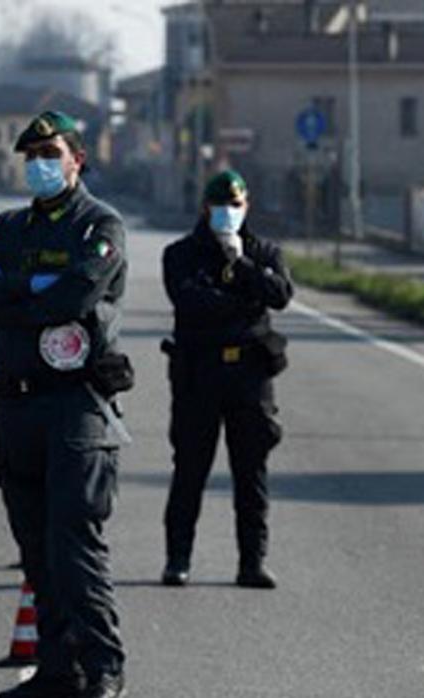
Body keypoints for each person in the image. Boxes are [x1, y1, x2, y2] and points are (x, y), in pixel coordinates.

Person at [0, 110, 130, 698]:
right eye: (31, 157)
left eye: (50, 154)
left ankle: (105, 666)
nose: (39, 165)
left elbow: (78, 293)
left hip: (74, 407)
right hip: (16, 407)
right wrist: (30, 295)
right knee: (36, 550)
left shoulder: (99, 225)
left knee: (74, 543)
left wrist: (13, 297)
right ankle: (58, 670)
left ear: (77, 159)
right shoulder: (9, 228)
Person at [160, 169, 293, 589]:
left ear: (246, 207)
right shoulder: (181, 253)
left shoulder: (263, 251)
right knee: (190, 471)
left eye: (236, 206)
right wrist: (242, 303)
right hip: (199, 373)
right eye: (221, 206)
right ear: (205, 208)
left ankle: (252, 562)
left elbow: (280, 295)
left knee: (251, 471)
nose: (228, 213)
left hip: (250, 375)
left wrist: (244, 266)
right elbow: (191, 300)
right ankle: (177, 559)